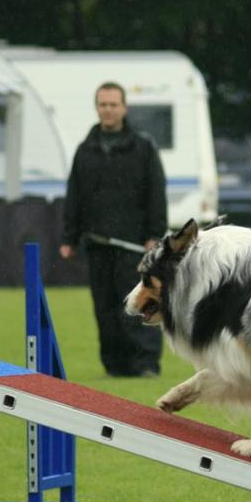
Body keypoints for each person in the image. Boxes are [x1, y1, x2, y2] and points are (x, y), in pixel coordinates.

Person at [60, 81, 166, 377]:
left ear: (124, 108)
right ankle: (114, 364)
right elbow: (75, 196)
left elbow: (155, 193)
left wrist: (154, 235)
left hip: (134, 245)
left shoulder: (143, 148)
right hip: (97, 244)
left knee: (139, 302)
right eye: (103, 105)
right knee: (105, 308)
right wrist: (69, 237)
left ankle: (145, 363)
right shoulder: (86, 150)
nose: (108, 110)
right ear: (97, 108)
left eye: (113, 104)